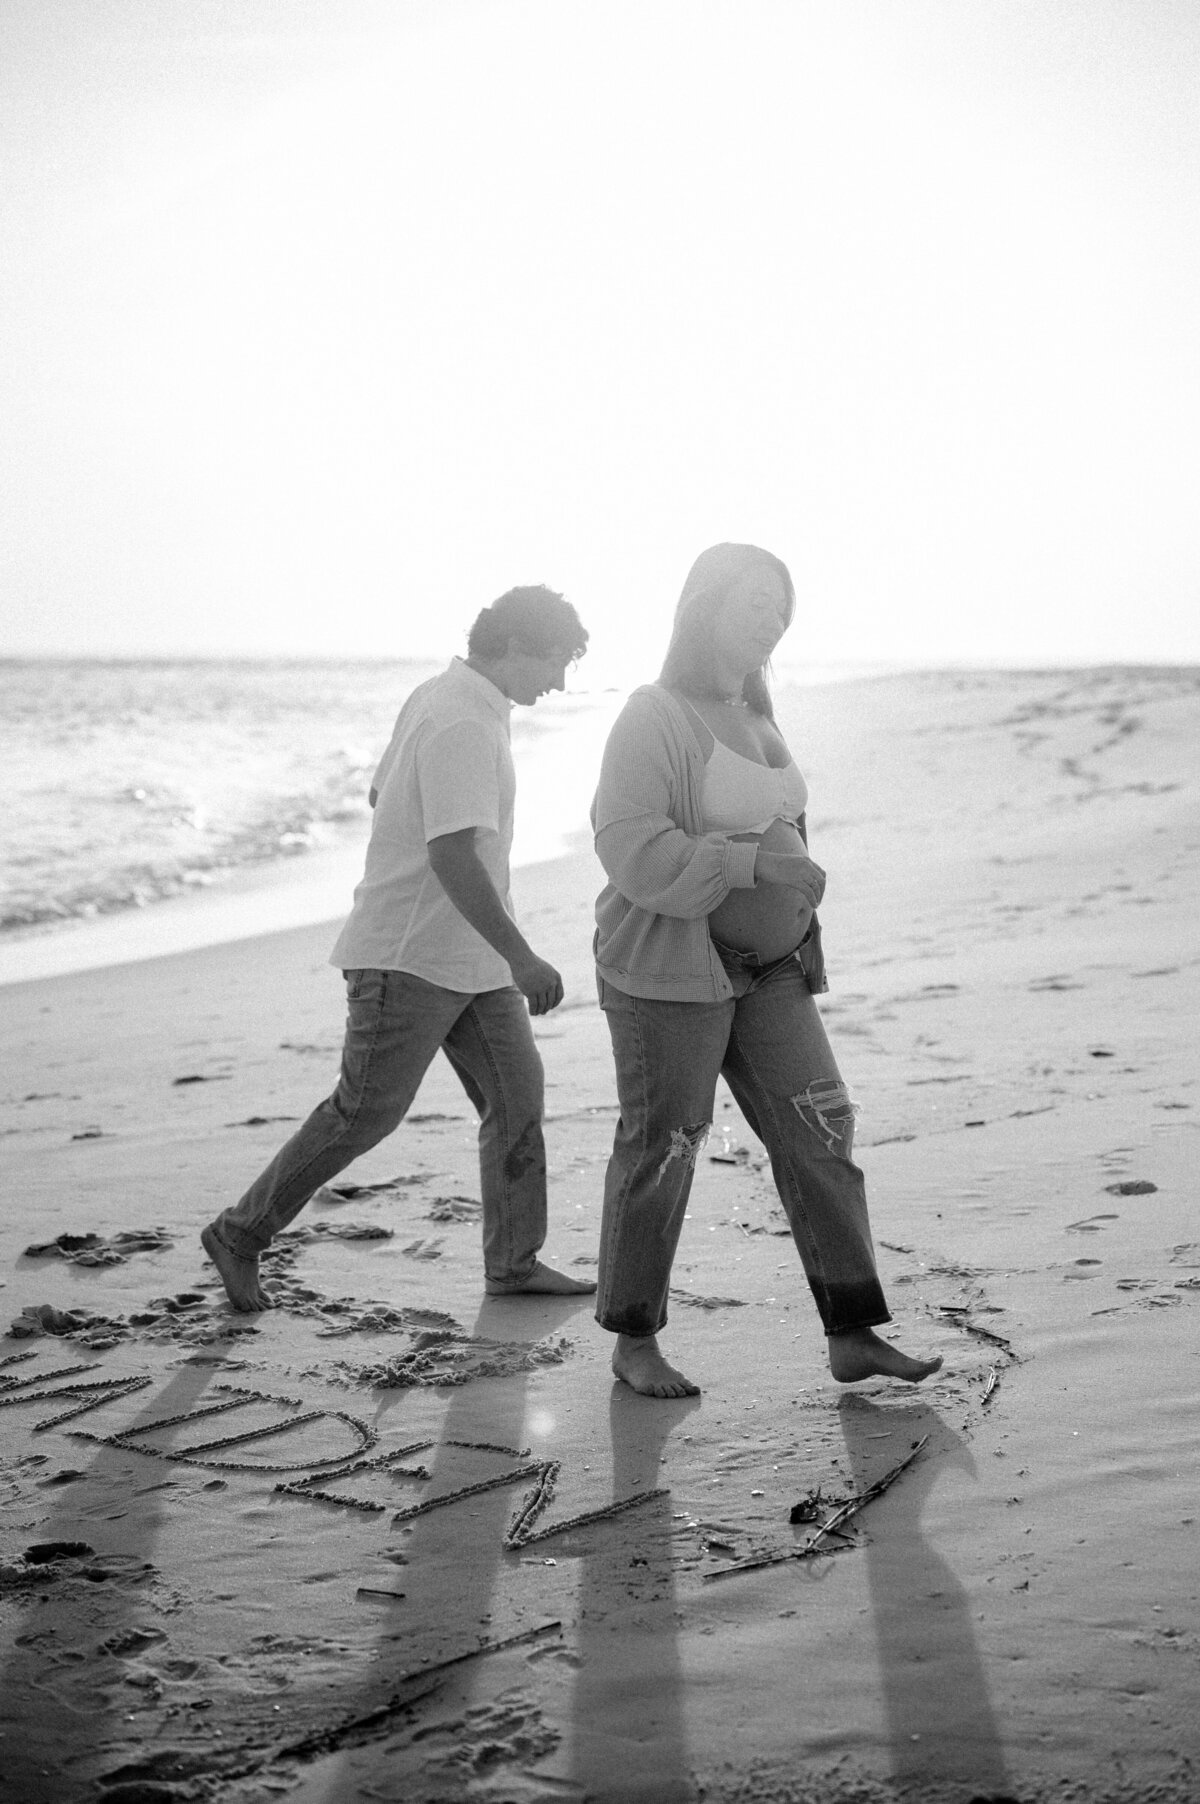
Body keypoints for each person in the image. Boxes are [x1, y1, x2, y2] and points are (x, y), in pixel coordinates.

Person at [591, 542, 943, 1397]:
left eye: (781, 606)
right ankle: (634, 1340)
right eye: (755, 600)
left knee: (823, 1128)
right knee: (665, 1147)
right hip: (673, 975)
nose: (771, 618)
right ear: (702, 604)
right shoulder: (653, 714)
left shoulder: (757, 712)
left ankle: (852, 1329)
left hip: (773, 971)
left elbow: (786, 831)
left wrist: (792, 900)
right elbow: (628, 844)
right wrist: (757, 870)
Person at [202, 584, 597, 1312]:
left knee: (517, 1100)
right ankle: (240, 1232)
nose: (559, 681)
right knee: (364, 1114)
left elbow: (385, 797)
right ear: (512, 646)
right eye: (553, 662)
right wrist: (524, 956)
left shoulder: (455, 701)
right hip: (409, 957)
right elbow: (450, 856)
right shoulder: (458, 720)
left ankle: (514, 1264)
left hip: (467, 958)